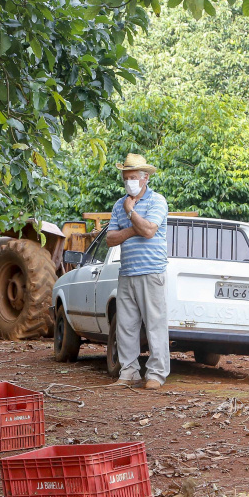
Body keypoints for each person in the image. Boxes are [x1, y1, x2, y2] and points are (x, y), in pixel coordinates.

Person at [105, 153, 170, 390]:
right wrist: (134, 229)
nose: (128, 181)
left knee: (155, 325)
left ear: (145, 179)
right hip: (127, 272)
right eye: (126, 177)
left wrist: (131, 213)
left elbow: (150, 230)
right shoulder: (118, 205)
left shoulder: (157, 201)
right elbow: (110, 239)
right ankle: (129, 371)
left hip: (151, 271)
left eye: (133, 177)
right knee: (125, 325)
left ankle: (156, 374)